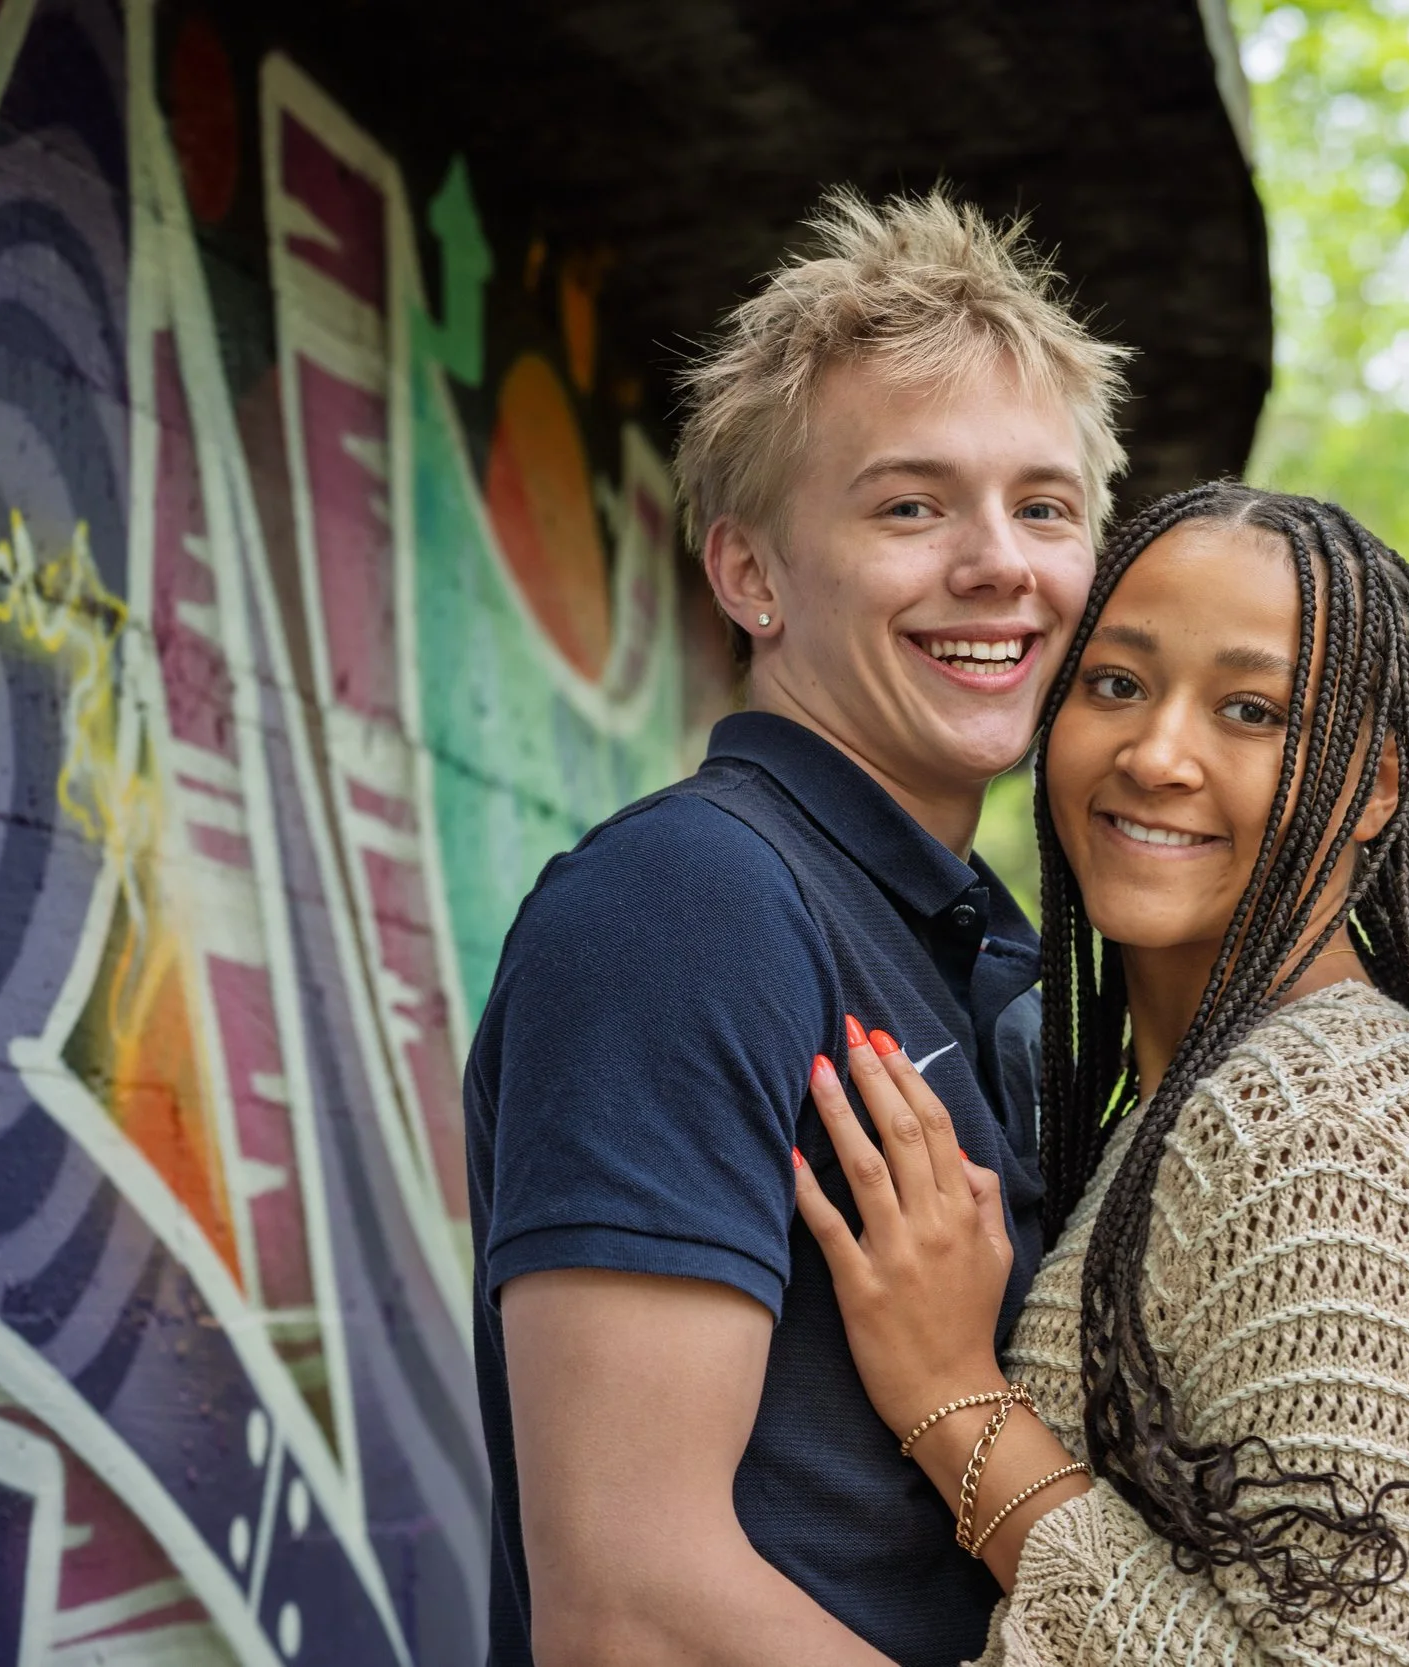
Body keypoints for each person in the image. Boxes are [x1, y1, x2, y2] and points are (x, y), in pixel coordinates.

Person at [795, 484, 1409, 1665]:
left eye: (1250, 709)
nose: (1158, 753)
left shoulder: (1320, 1128)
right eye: (1117, 684)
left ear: (1375, 784)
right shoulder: (1197, 1094)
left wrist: (952, 1399)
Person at [463, 189, 1129, 1666]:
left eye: (1046, 505)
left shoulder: (991, 945)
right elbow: (630, 1606)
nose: (1000, 562)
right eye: (911, 504)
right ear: (750, 573)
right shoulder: (688, 903)